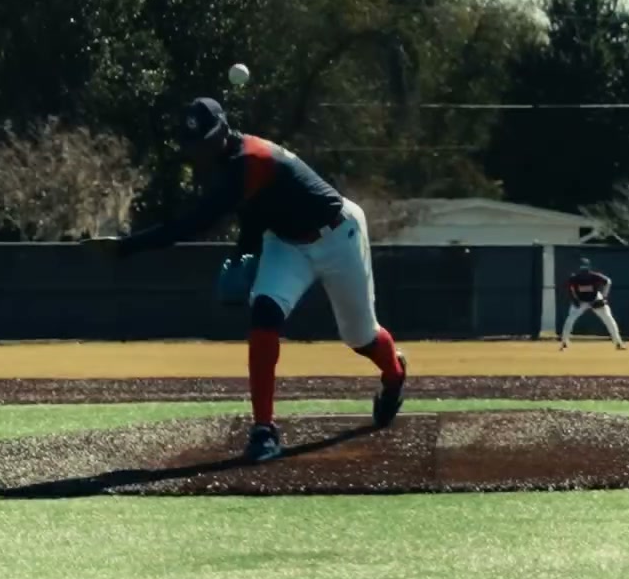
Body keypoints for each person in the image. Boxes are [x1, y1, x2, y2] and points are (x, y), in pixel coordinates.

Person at [99, 97, 407, 462]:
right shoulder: (227, 164)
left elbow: (196, 223)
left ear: (223, 132)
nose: (198, 151)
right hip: (286, 243)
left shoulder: (251, 159)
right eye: (192, 144)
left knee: (359, 336)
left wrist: (128, 247)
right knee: (263, 315)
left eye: (204, 141)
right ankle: (264, 430)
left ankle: (394, 374)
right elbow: (255, 214)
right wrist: (240, 255)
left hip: (338, 236)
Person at [559, 256, 626, 350]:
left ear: (589, 269)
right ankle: (564, 343)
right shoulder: (574, 279)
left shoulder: (594, 276)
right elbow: (570, 289)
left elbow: (608, 281)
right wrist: (574, 300)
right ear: (578, 270)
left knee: (609, 319)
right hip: (581, 301)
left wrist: (603, 298)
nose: (584, 272)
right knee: (570, 320)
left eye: (585, 269)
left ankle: (618, 343)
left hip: (595, 299)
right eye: (582, 270)